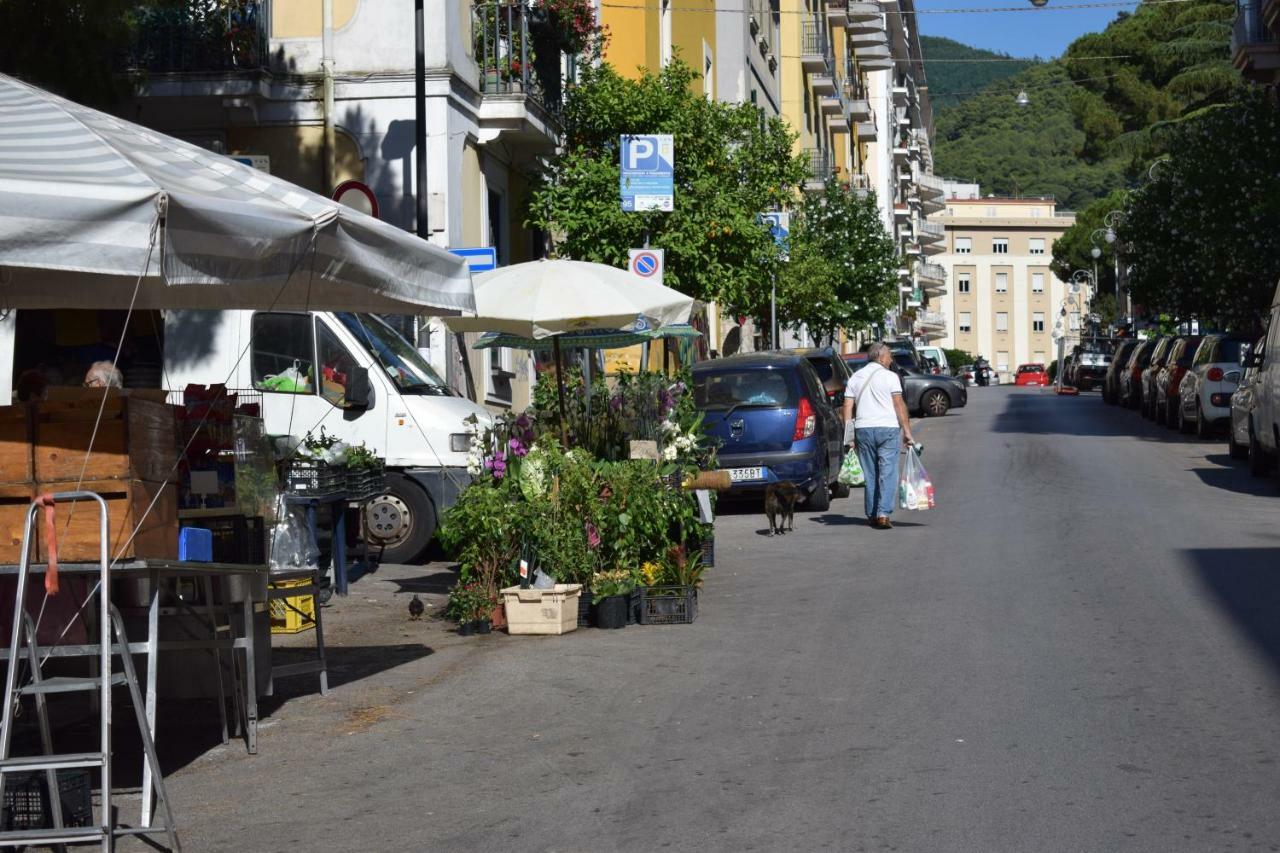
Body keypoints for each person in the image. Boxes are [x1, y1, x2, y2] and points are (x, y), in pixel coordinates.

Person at [842, 342, 914, 530]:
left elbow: (847, 406)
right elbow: (898, 405)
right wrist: (907, 432)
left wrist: (849, 436)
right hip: (887, 428)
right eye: (890, 355)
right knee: (888, 471)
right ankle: (883, 514)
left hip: (863, 428)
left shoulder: (855, 377)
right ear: (881, 357)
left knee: (870, 472)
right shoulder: (891, 377)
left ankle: (872, 513)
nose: (891, 359)